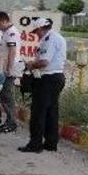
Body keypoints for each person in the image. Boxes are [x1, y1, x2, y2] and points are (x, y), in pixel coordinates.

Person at [19, 17, 66, 153]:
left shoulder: (49, 39)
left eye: (36, 32)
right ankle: (51, 143)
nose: (36, 35)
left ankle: (35, 144)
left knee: (38, 112)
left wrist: (30, 65)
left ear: (40, 29)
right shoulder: (56, 37)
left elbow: (44, 62)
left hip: (48, 79)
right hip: (56, 77)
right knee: (51, 112)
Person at [0, 11, 21, 133]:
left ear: (3, 20)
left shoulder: (11, 32)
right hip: (5, 68)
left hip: (9, 69)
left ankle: (12, 123)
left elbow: (12, 51)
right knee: (4, 96)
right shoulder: (6, 32)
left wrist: (8, 69)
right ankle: (9, 121)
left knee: (7, 96)